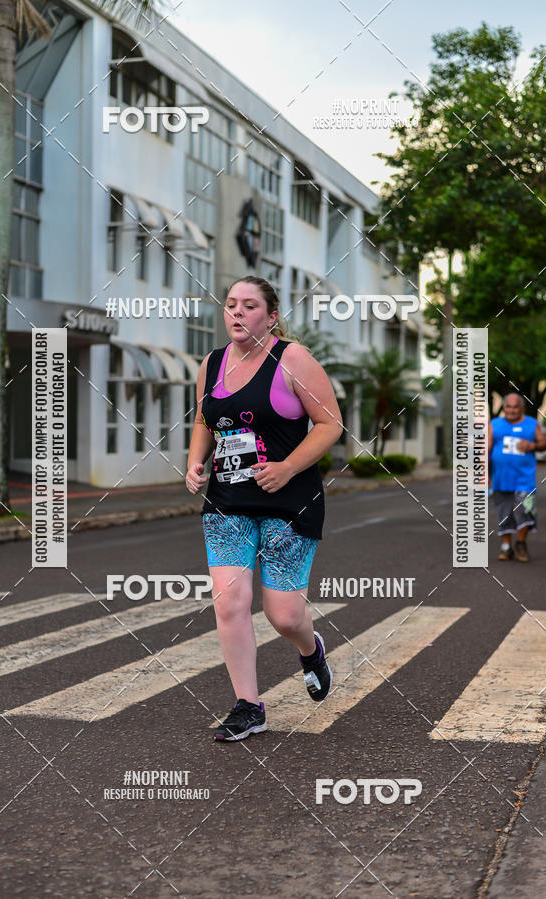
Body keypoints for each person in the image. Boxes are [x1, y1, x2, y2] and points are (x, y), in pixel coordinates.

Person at [185, 275, 343, 741]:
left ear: (271, 316)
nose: (236, 312)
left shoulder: (291, 358)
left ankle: (310, 651)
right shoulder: (211, 364)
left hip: (288, 502)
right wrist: (195, 462)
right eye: (231, 304)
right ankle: (248, 706)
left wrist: (288, 467)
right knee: (229, 602)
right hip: (228, 502)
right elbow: (203, 418)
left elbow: (329, 423)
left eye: (249, 305)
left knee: (284, 615)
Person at [488, 392, 546, 562]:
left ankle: (521, 543)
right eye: (508, 406)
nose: (512, 410)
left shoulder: (532, 424)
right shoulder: (495, 424)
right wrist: (483, 474)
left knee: (525, 511)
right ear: (504, 407)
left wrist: (532, 445)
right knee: (504, 513)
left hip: (524, 479)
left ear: (521, 408)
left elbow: (544, 444)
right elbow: (485, 449)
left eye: (516, 407)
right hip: (500, 479)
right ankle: (507, 547)